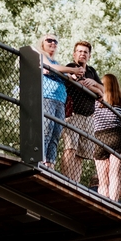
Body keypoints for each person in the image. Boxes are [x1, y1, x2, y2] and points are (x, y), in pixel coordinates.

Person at [61, 40, 104, 181]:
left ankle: (75, 183)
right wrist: (96, 90)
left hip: (89, 117)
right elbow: (80, 83)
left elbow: (104, 90)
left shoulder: (91, 71)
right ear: (74, 54)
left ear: (89, 56)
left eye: (85, 52)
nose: (82, 54)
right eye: (79, 51)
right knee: (70, 149)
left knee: (81, 154)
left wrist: (96, 84)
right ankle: (66, 181)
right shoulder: (72, 67)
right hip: (74, 115)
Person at [36, 33, 81, 168]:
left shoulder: (57, 63)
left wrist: (72, 74)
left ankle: (50, 163)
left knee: (56, 132)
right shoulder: (41, 55)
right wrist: (71, 70)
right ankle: (40, 160)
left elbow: (65, 73)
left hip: (60, 101)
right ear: (42, 43)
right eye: (49, 40)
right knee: (47, 129)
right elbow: (51, 69)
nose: (53, 43)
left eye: (55, 41)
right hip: (47, 97)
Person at [92, 73, 121, 204]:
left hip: (99, 137)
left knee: (102, 177)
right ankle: (113, 202)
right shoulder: (120, 100)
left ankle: (103, 201)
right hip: (116, 136)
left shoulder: (97, 97)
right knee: (114, 173)